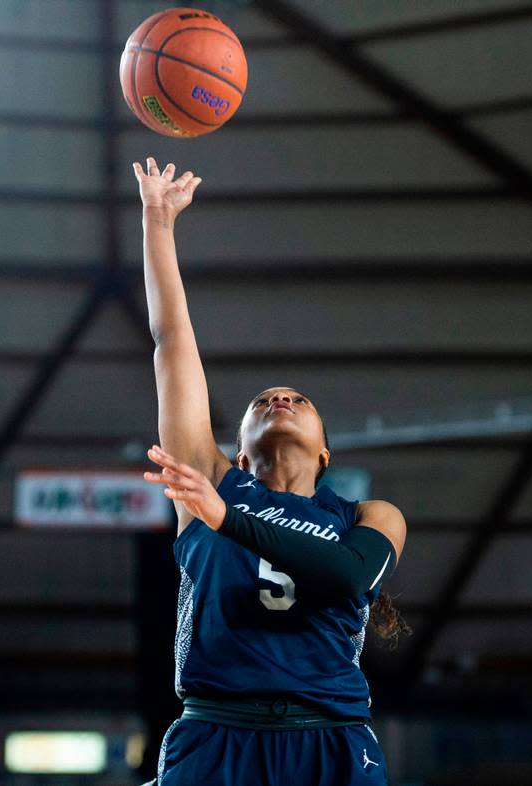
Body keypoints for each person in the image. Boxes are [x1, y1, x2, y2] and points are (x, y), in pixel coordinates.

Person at [134, 157, 409, 786]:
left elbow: (347, 576)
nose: (280, 401)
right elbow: (172, 343)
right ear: (236, 451)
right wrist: (157, 224)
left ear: (325, 454)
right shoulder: (208, 478)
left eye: (298, 401)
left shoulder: (371, 517)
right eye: (263, 401)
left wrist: (226, 518)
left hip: (330, 737)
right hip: (216, 731)